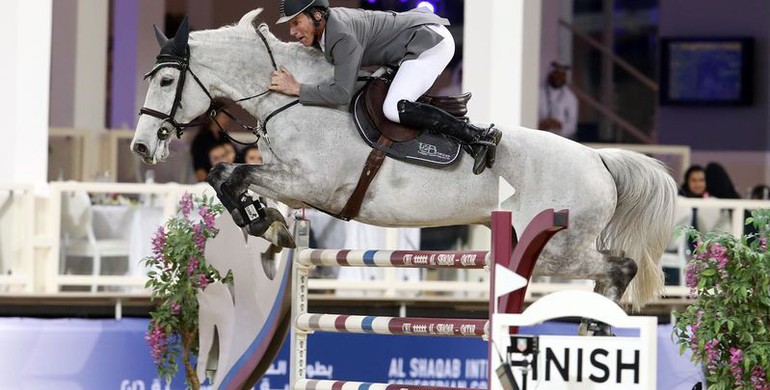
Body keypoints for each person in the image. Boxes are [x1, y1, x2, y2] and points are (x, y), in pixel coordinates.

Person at [268, 0, 501, 175]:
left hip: (428, 43)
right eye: (290, 25)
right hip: (408, 44)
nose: (292, 32)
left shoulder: (341, 36)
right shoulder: (329, 28)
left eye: (296, 22)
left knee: (394, 107)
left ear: (317, 15)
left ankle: (477, 136)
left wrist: (298, 88)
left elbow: (341, 93)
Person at [538, 62, 578, 139]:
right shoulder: (538, 93)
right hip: (539, 136)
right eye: (557, 73)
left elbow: (572, 127)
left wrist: (559, 125)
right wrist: (541, 124)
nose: (559, 77)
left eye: (562, 75)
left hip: (562, 140)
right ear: (550, 74)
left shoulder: (571, 98)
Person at [190, 113, 232, 181]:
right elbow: (200, 171)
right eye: (224, 117)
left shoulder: (224, 137)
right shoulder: (201, 139)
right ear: (212, 117)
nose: (227, 120)